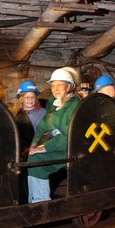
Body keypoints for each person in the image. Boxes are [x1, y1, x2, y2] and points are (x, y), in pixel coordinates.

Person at [27, 68, 80, 203]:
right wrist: (33, 145)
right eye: (53, 85)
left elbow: (68, 135)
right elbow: (42, 127)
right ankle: (32, 199)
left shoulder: (75, 106)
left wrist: (44, 148)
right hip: (55, 146)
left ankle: (41, 202)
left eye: (59, 84)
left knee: (36, 162)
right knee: (30, 159)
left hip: (68, 149)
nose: (55, 88)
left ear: (69, 86)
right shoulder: (54, 104)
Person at [14, 81, 47, 153]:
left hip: (38, 151)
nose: (30, 100)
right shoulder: (18, 115)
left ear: (36, 98)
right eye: (27, 97)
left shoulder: (44, 113)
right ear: (21, 99)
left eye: (33, 97)